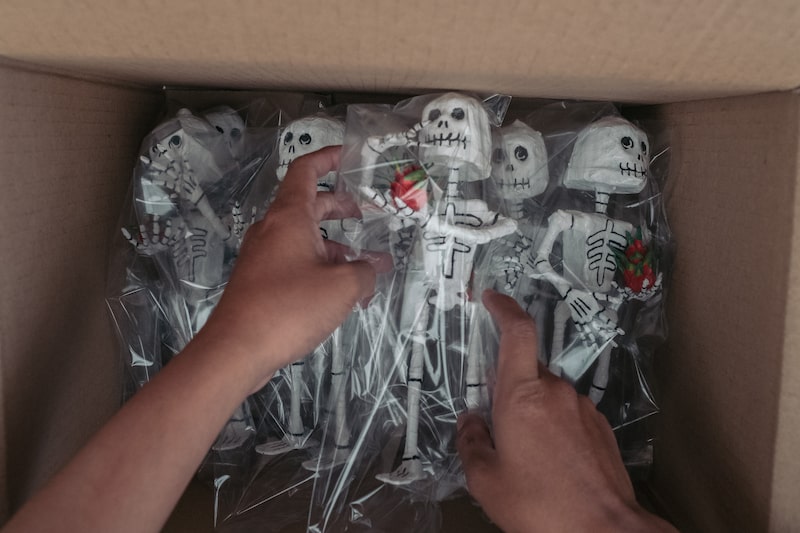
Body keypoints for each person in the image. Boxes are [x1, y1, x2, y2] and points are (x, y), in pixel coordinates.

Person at [1, 146, 676, 532]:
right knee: (393, 365)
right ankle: (342, 430)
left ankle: (390, 434)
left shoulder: (485, 211)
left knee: (470, 369)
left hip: (456, 294)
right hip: (410, 293)